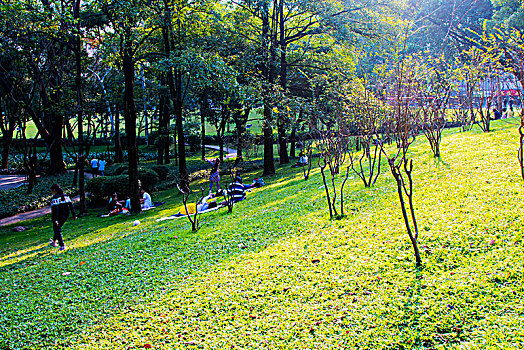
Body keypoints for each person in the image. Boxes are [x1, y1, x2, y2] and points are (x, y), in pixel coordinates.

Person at [49, 184, 77, 251]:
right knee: (56, 229)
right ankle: (54, 241)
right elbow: (71, 205)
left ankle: (62, 245)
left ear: (54, 190)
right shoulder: (65, 196)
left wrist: (55, 219)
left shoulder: (54, 198)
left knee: (57, 229)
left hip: (58, 216)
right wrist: (74, 215)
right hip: (65, 215)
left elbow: (54, 210)